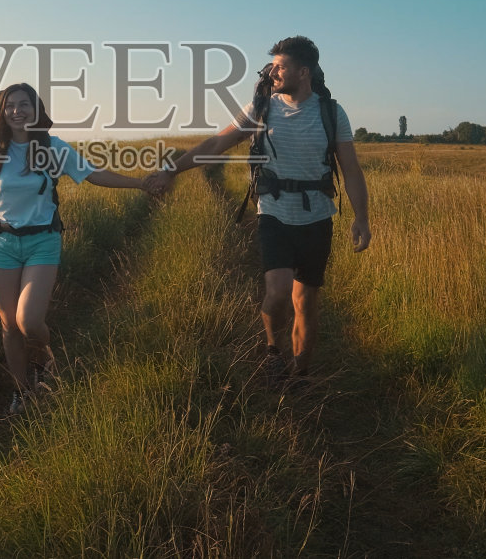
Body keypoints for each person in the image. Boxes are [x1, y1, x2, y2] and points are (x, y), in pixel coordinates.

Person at [144, 36, 371, 386]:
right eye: (272, 66)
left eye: (280, 66)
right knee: (278, 292)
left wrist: (361, 218)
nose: (271, 73)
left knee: (306, 302)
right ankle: (273, 352)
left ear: (304, 72)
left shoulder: (331, 112)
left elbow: (351, 169)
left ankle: (300, 374)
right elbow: (217, 142)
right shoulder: (261, 109)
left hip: (317, 218)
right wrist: (171, 170)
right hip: (274, 214)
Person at [0, 83, 153, 415]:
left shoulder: (52, 147)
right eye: (10, 105)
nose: (17, 111)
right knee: (9, 325)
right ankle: (22, 391)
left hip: (42, 240)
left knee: (28, 321)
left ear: (36, 109)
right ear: (0, 112)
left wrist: (140, 183)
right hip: (1, 242)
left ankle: (47, 357)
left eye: (24, 104)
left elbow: (93, 174)